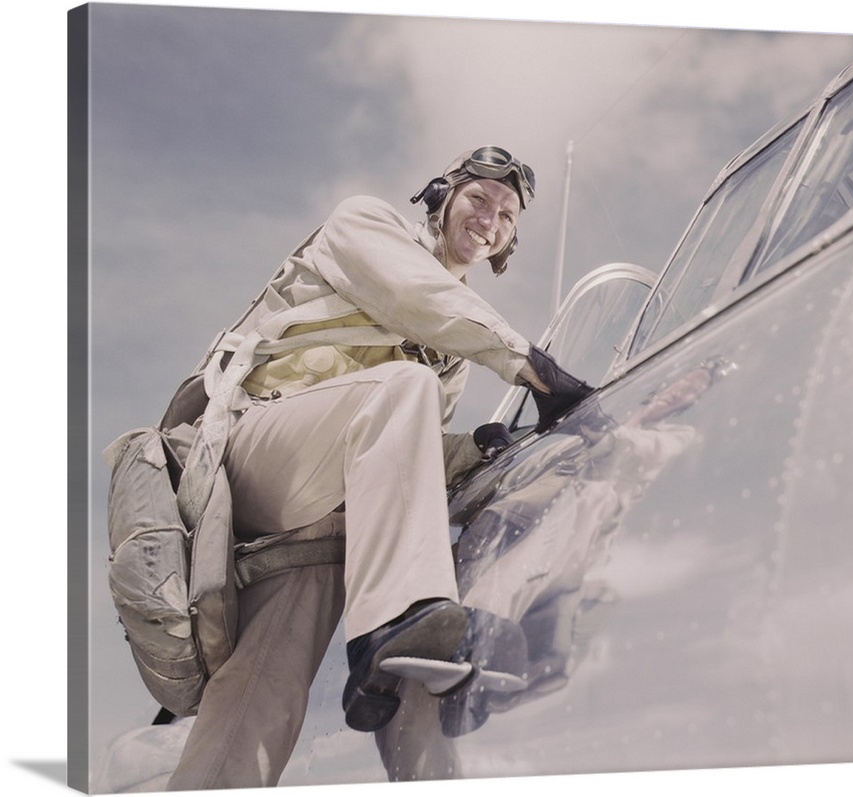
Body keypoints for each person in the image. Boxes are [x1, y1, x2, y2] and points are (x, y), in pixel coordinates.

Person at [161, 146, 592, 790]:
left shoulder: (448, 354)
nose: (490, 218)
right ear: (442, 196)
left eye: (506, 216)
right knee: (402, 389)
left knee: (256, 709)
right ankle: (396, 623)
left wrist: (477, 447)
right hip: (250, 454)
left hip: (320, 528)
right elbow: (416, 298)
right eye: (478, 198)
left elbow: (397, 444)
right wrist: (535, 368)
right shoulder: (364, 224)